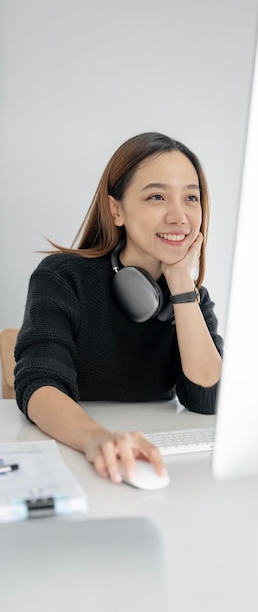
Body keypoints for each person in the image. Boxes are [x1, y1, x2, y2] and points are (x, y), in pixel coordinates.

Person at [14, 132, 223, 483]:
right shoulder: (63, 278)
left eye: (191, 197)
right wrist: (98, 438)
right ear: (116, 209)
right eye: (157, 196)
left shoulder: (191, 298)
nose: (179, 216)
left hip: (146, 453)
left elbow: (209, 399)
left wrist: (180, 283)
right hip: (73, 453)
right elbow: (40, 384)